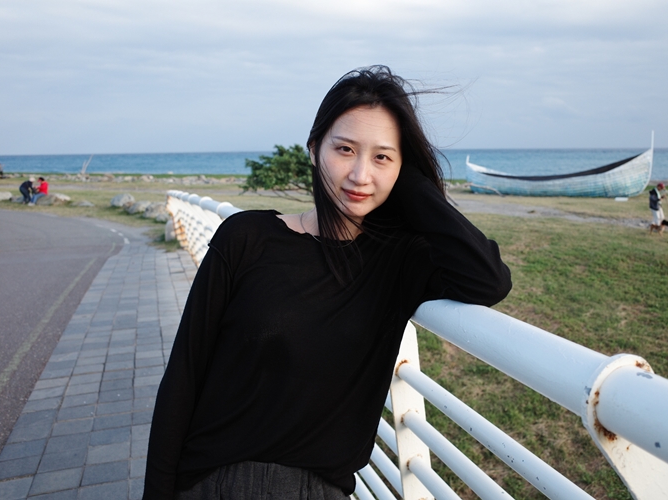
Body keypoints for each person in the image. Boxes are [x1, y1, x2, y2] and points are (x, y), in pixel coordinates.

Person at [144, 65, 512, 500]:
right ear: (315, 148)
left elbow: (487, 280)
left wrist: (410, 183)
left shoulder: (400, 261)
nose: (359, 175)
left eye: (382, 157)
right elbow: (184, 375)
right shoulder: (246, 237)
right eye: (345, 149)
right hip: (214, 484)